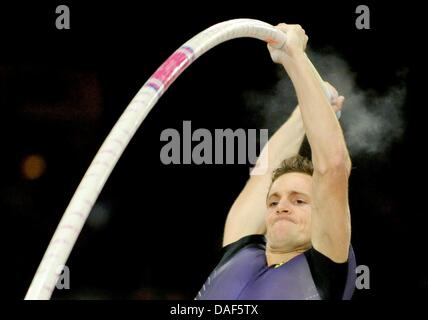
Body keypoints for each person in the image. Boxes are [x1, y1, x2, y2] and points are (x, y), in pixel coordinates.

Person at [196, 23, 356, 300]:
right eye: (274, 201)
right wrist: (302, 117)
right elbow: (263, 174)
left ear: (322, 216)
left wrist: (294, 58)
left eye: (299, 200)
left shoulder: (324, 273)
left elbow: (333, 167)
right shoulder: (239, 252)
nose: (281, 206)